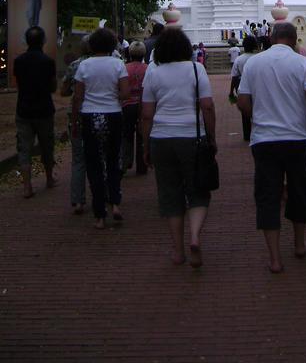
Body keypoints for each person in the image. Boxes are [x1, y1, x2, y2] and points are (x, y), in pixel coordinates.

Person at [238, 22, 306, 274]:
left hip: (264, 139)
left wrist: (260, 115)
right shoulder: (302, 63)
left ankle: (274, 258)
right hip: (297, 138)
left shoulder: (253, 63)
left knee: (268, 196)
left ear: (270, 37)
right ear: (296, 39)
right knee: (299, 191)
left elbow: (242, 102)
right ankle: (298, 245)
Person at [141, 28, 216, 268]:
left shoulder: (153, 73)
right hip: (192, 136)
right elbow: (208, 106)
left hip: (161, 137)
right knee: (198, 190)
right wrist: (211, 138)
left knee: (170, 194)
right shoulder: (197, 69)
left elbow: (146, 114)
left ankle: (178, 250)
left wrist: (145, 145)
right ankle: (194, 236)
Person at [72, 27, 129, 229]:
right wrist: (111, 96)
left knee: (94, 165)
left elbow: (77, 97)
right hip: (113, 114)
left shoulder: (84, 66)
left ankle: (99, 215)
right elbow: (125, 93)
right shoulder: (118, 64)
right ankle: (115, 204)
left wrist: (75, 122)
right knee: (113, 161)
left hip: (89, 115)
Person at [13, 26, 57, 198]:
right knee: (47, 146)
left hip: (23, 109)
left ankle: (27, 186)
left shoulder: (19, 61)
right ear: (43, 41)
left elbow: (18, 84)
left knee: (24, 148)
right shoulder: (48, 62)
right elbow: (53, 86)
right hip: (44, 109)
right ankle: (49, 178)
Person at [61, 35, 90, 213]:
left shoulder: (74, 66)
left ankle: (78, 200)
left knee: (78, 160)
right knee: (101, 159)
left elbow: (64, 90)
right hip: (100, 114)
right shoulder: (110, 62)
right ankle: (105, 200)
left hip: (78, 114)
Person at [121, 40, 148, 176]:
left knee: (127, 134)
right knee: (142, 134)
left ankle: (125, 161)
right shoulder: (147, 68)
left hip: (127, 104)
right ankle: (142, 165)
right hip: (143, 105)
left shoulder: (124, 68)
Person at [229, 34, 259, 140]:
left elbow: (234, 76)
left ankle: (247, 134)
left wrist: (231, 91)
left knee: (245, 111)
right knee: (258, 109)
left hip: (242, 87)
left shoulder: (239, 59)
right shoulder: (258, 58)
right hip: (257, 87)